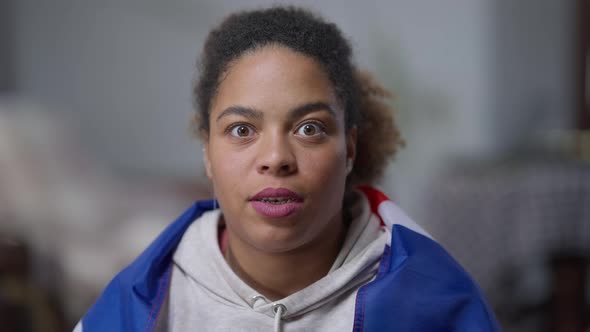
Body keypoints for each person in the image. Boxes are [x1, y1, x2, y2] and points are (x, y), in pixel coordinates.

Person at [75, 6, 501, 332]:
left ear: (349, 148)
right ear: (207, 150)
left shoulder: (435, 298)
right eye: (242, 129)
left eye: (309, 128)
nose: (275, 157)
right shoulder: (148, 299)